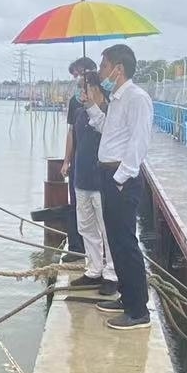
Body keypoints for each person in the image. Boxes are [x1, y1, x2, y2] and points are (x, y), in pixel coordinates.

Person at [83, 43, 153, 331]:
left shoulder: (137, 98)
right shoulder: (117, 99)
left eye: (103, 66)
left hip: (120, 180)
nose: (102, 72)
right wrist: (91, 106)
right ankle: (127, 298)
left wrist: (121, 178)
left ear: (118, 69)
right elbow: (108, 132)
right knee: (116, 242)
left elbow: (138, 143)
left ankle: (138, 311)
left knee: (126, 243)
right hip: (108, 175)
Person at [62, 56, 116, 295]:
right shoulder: (80, 112)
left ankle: (112, 274)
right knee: (86, 228)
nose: (81, 93)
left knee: (107, 228)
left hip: (101, 180)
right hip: (81, 177)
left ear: (95, 88)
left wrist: (93, 107)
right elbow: (74, 137)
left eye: (84, 88)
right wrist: (67, 162)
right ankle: (94, 269)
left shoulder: (109, 111)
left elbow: (109, 135)